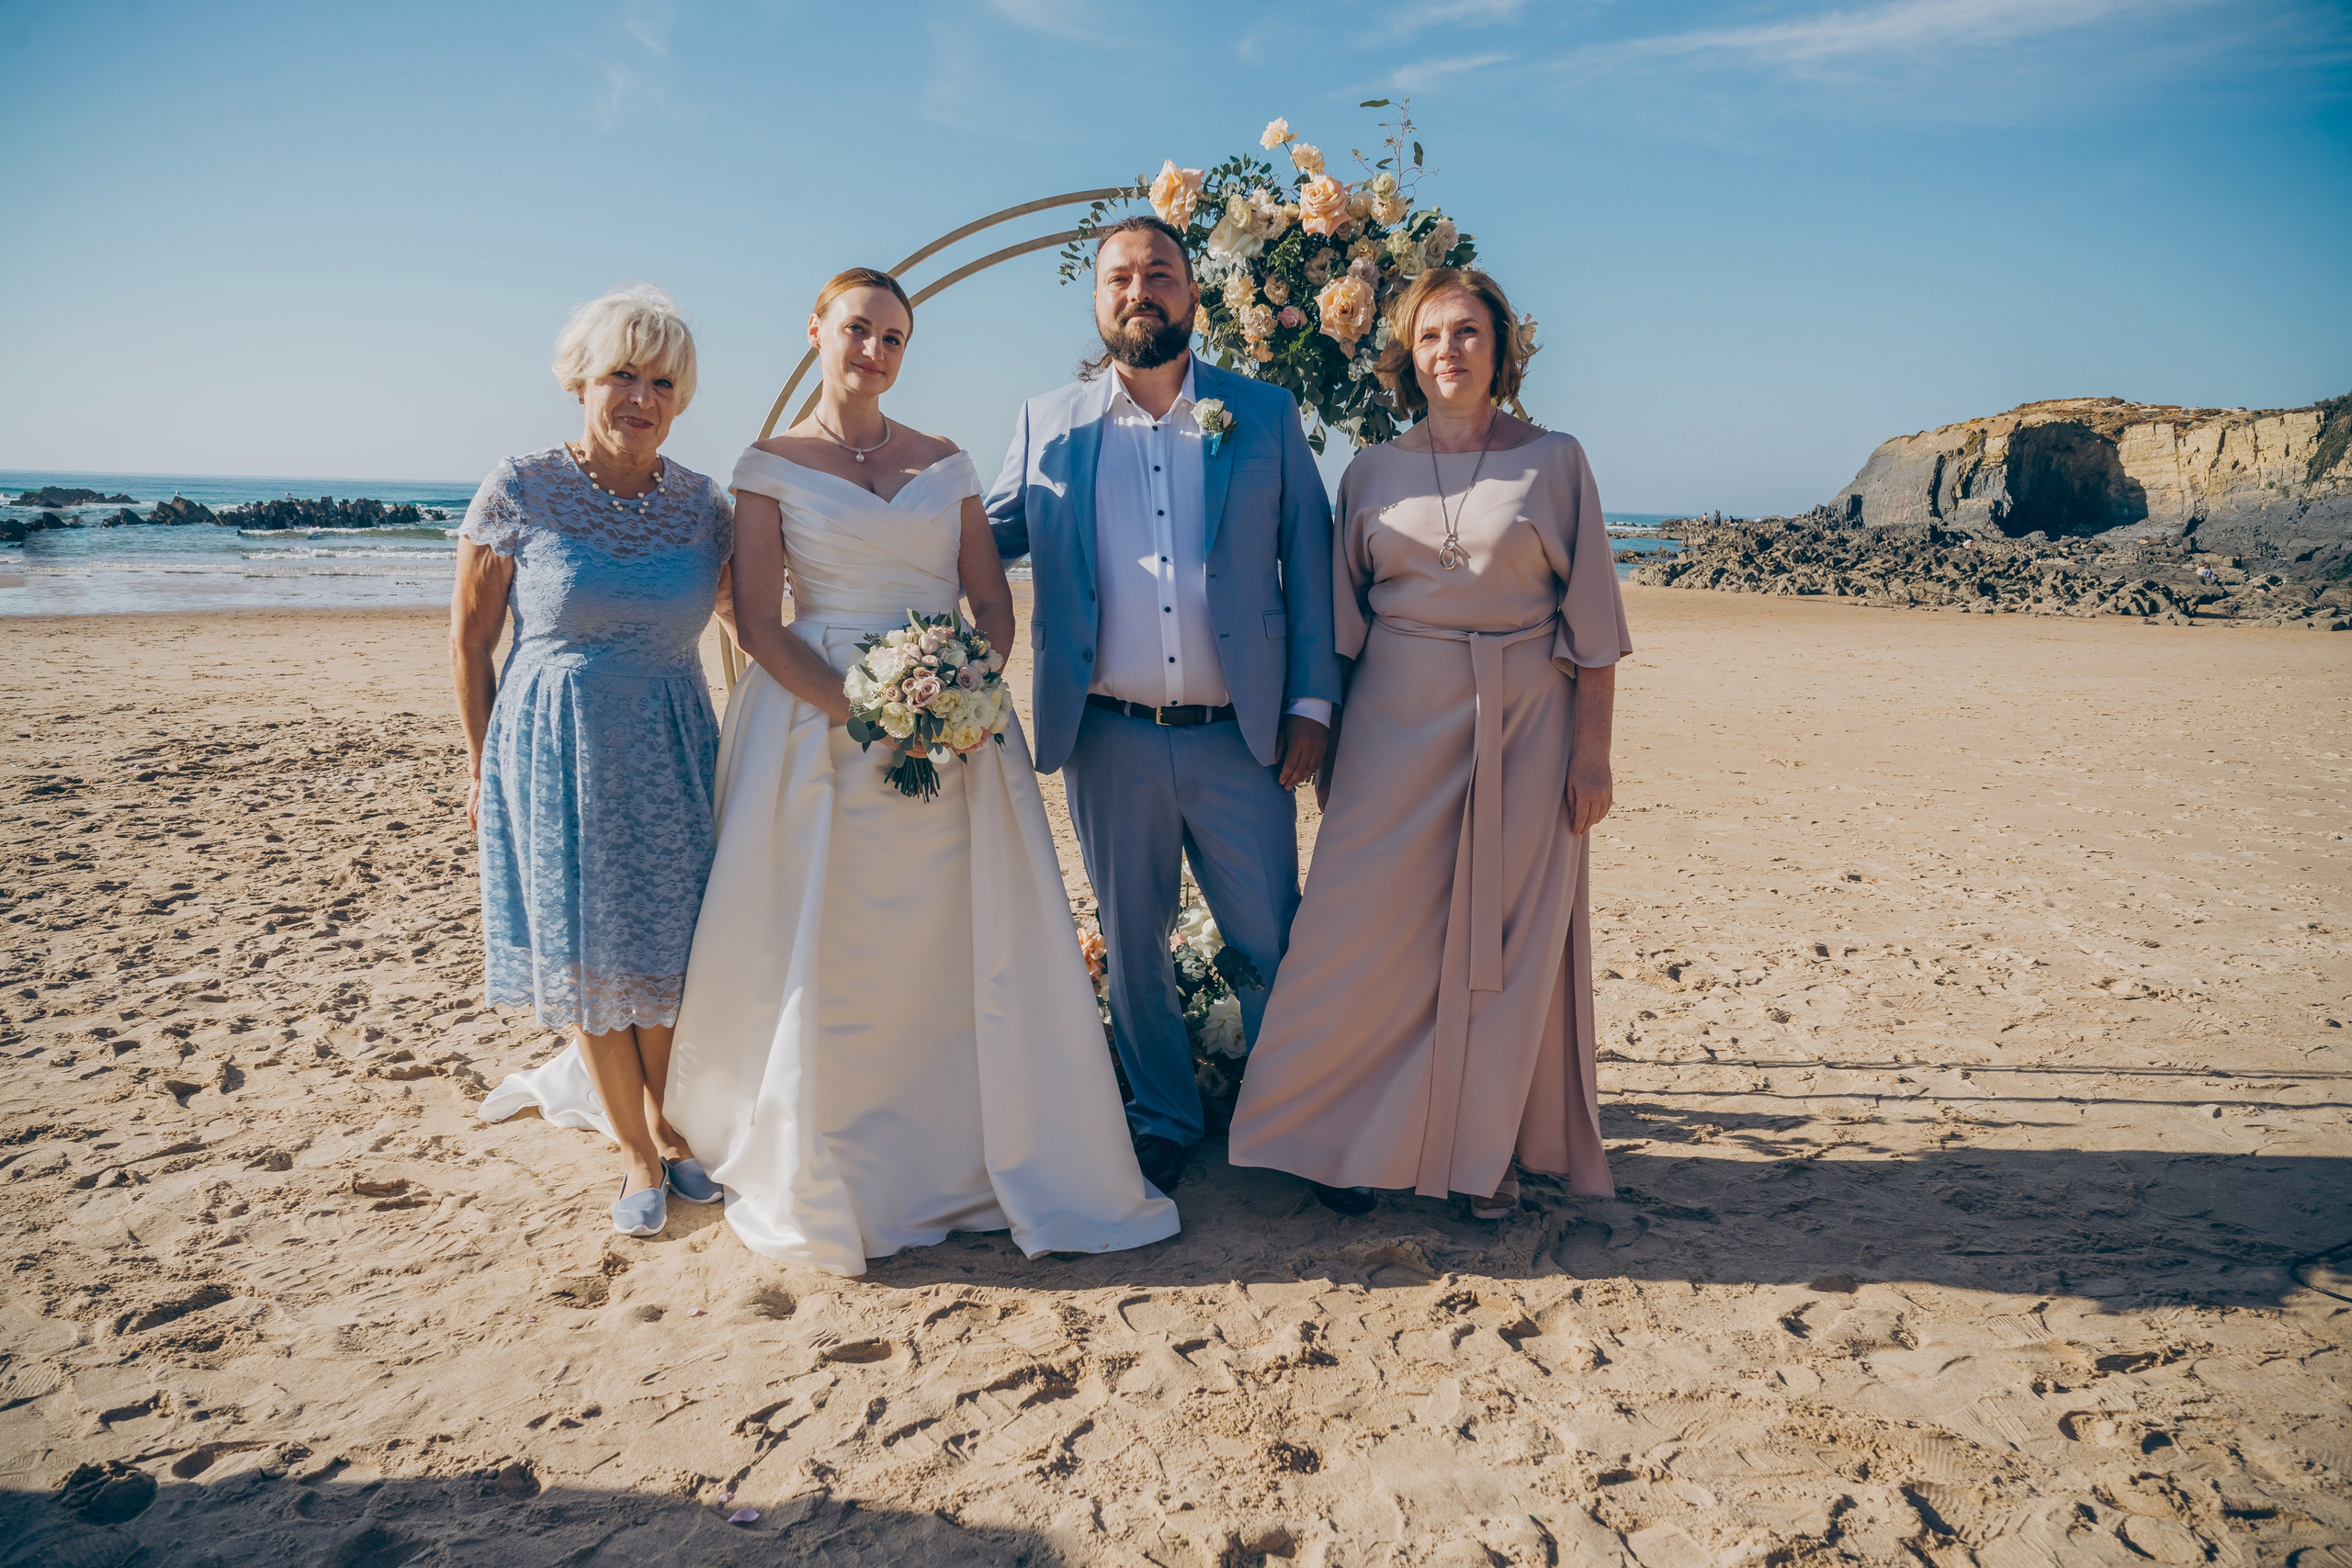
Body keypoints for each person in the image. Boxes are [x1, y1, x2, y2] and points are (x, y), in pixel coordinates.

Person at [650, 268, 1178, 1277]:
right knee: (835, 937)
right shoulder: (768, 466)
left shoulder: (946, 460)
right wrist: (869, 712)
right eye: (858, 330)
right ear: (816, 331)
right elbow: (759, 624)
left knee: (958, 932)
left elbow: (992, 601)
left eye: (893, 339)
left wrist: (964, 694)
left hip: (958, 730)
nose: (874, 352)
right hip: (816, 727)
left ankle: (973, 1145)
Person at [1227, 266, 1633, 1219]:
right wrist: (1323, 740)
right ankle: (1330, 1140)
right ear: (1406, 358)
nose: (1449, 349)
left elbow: (1595, 627)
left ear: (1502, 348)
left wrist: (1592, 756)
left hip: (1527, 726)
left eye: (1467, 332)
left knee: (1502, 948)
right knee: (1358, 933)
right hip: (1390, 730)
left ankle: (1482, 1157)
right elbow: (1336, 625)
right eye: (1429, 336)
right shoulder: (1369, 471)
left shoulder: (1557, 461)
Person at [987, 217, 1345, 1194]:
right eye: (1118, 277)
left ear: (1192, 292)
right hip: (1106, 736)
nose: (1137, 290)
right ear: (1096, 298)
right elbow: (983, 539)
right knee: (1132, 942)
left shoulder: (1262, 413)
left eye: (1158, 273)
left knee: (1271, 937)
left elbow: (1309, 561)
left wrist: (1313, 703)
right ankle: (1162, 1117)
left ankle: (1299, 1121)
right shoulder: (1048, 423)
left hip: (1242, 736)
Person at [460, 284, 737, 1238]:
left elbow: (752, 623)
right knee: (587, 955)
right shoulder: (521, 486)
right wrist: (480, 767)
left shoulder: (705, 506)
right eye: (623, 374)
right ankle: (636, 1149)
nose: (641, 398)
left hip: (670, 743)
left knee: (667, 950)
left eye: (662, 382)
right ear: (581, 379)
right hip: (554, 744)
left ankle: (669, 1122)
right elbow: (469, 642)